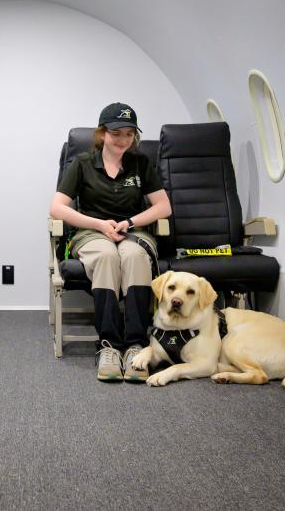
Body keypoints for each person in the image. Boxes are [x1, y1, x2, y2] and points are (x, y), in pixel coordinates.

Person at [49, 103, 172, 382]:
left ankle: (136, 346)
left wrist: (128, 222)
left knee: (134, 257)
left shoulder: (141, 163)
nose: (123, 140)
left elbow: (163, 206)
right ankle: (109, 346)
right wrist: (99, 225)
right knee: (107, 256)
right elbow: (57, 208)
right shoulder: (82, 163)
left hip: (132, 232)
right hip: (92, 233)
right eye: (117, 133)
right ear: (102, 133)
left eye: (129, 134)